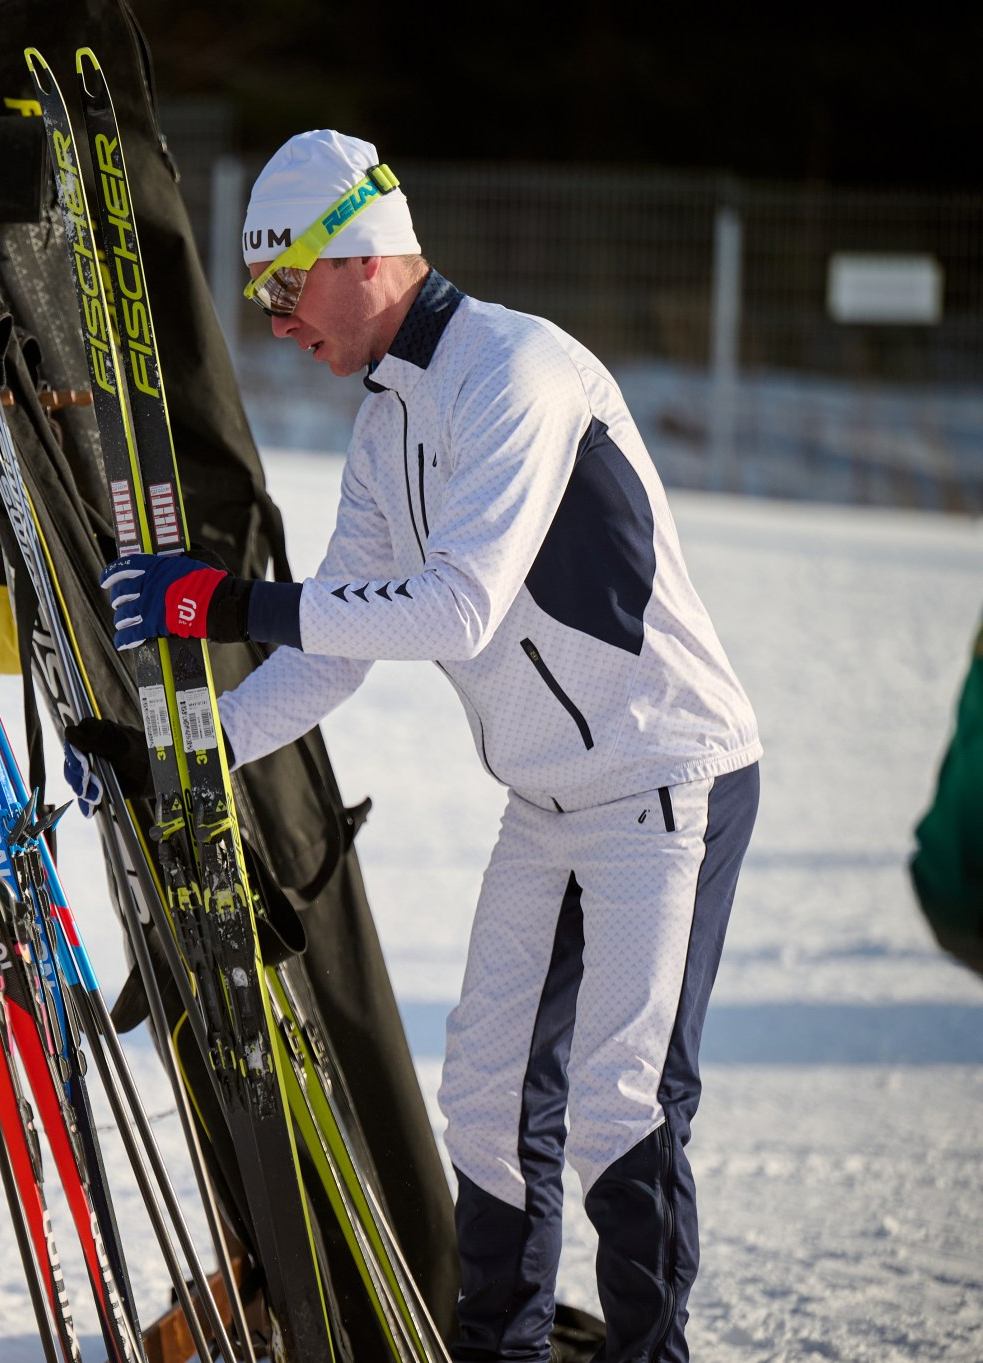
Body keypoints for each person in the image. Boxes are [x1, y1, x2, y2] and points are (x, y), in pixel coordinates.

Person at [81, 129, 761, 1363]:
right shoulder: (386, 422)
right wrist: (176, 754)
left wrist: (230, 601)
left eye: (283, 286)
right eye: (260, 299)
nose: (279, 322)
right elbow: (334, 654)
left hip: (664, 778)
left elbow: (458, 607)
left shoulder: (515, 370)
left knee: (617, 1108)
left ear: (357, 255)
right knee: (485, 1104)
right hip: (546, 802)